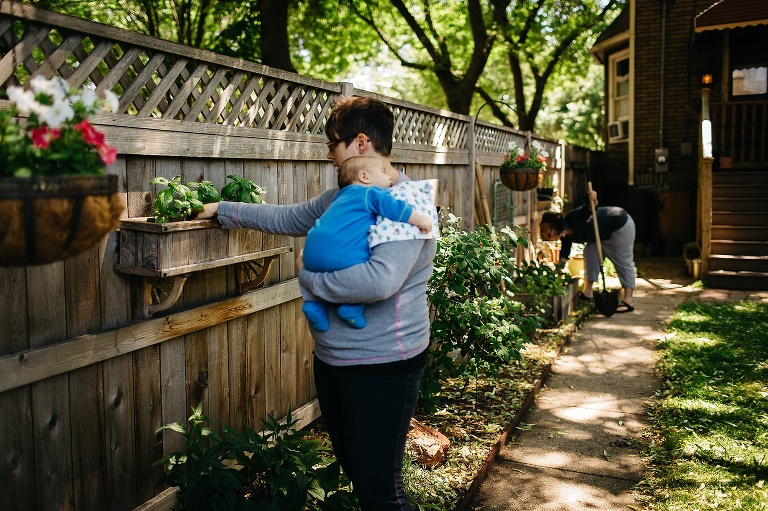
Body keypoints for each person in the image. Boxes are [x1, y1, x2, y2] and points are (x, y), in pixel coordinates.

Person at [198, 96, 436, 510]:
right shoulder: (345, 197)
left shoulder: (407, 202)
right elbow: (288, 218)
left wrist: (307, 277)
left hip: (384, 365)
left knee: (380, 489)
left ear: (361, 142)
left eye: (333, 144)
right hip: (334, 360)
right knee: (356, 468)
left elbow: (380, 280)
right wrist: (223, 210)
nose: (328, 154)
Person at [301, 155, 434, 332]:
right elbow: (394, 208)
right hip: (338, 253)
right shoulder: (369, 193)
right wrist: (420, 220)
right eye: (383, 172)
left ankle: (314, 305)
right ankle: (351, 307)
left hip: (311, 251)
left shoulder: (338, 197)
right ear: (365, 177)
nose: (389, 178)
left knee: (342, 255)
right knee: (364, 255)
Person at [539, 190, 637, 312]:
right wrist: (556, 276)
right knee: (590, 253)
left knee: (622, 260)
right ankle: (588, 292)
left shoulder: (572, 218)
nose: (548, 235)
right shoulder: (566, 236)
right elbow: (564, 257)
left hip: (619, 226)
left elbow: (588, 209)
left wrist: (593, 199)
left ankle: (628, 300)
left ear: (555, 225)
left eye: (548, 231)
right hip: (600, 235)